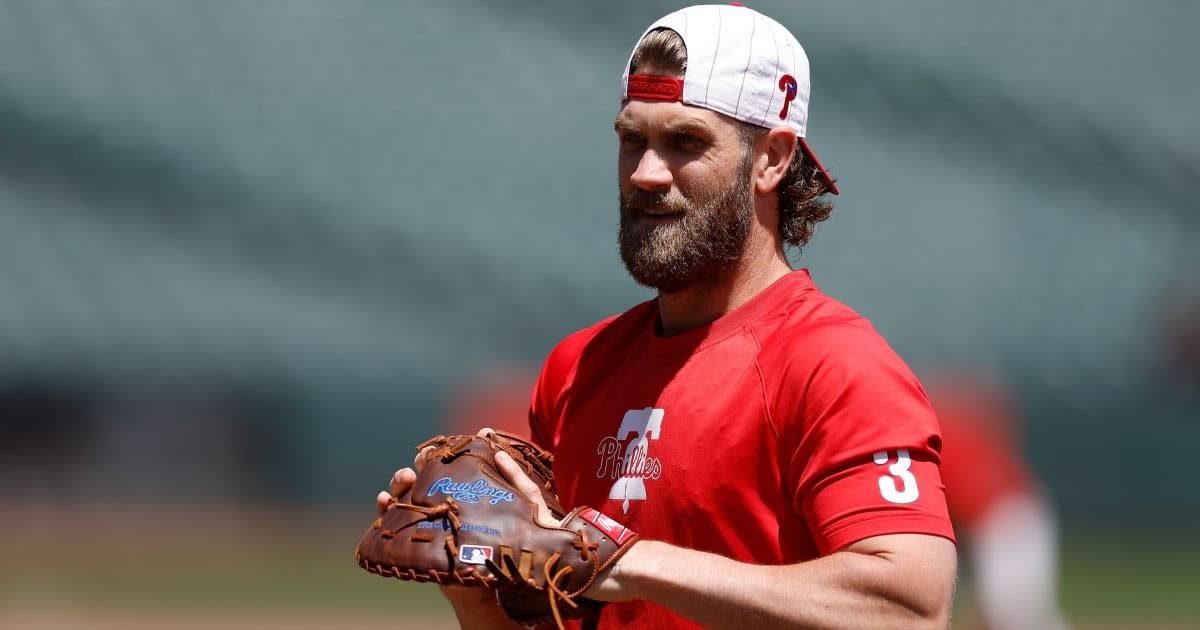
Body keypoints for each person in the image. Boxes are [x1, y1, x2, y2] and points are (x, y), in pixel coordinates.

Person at [378, 4, 957, 628]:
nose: (647, 174)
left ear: (773, 158)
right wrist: (481, 599)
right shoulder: (578, 367)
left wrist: (626, 562)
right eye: (634, 140)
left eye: (685, 142)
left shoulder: (833, 364)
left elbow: (911, 609)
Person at [924, 371, 1072, 630]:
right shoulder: (939, 426)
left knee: (1012, 617)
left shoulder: (933, 436)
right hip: (1009, 515)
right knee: (1017, 618)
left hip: (1009, 518)